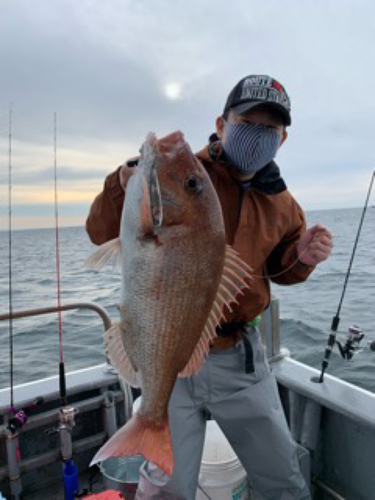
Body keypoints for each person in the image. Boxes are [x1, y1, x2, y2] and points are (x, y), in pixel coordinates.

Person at [86, 74, 333, 500]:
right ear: (221, 124)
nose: (257, 136)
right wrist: (123, 183)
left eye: (268, 130)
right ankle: (150, 423)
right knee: (168, 487)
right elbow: (100, 231)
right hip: (171, 358)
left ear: (283, 138)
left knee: (282, 476)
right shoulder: (182, 175)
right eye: (246, 123)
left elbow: (279, 269)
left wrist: (304, 259)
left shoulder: (284, 204)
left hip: (242, 359)